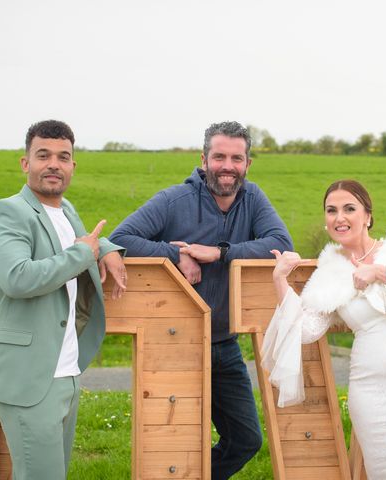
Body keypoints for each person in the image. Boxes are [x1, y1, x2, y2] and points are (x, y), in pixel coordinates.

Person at [109, 121, 293, 479]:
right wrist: (173, 256)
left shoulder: (253, 199)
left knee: (246, 440)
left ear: (247, 164)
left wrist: (219, 253)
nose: (228, 165)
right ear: (204, 159)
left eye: (236, 158)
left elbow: (281, 245)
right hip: (175, 343)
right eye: (219, 156)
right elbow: (122, 237)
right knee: (170, 444)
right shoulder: (173, 200)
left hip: (225, 343)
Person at [261, 179, 386, 479]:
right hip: (372, 394)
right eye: (331, 211)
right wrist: (280, 279)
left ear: (368, 216)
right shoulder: (329, 274)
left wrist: (380, 272)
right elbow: (306, 330)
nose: (339, 217)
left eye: (349, 208)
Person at [0, 120, 127, 479]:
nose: (53, 164)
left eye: (63, 157)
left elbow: (80, 241)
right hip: (29, 376)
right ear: (25, 162)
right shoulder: (9, 211)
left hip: (65, 372)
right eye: (43, 155)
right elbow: (18, 277)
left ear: (73, 166)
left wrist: (106, 248)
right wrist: (83, 256)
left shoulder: (67, 211)